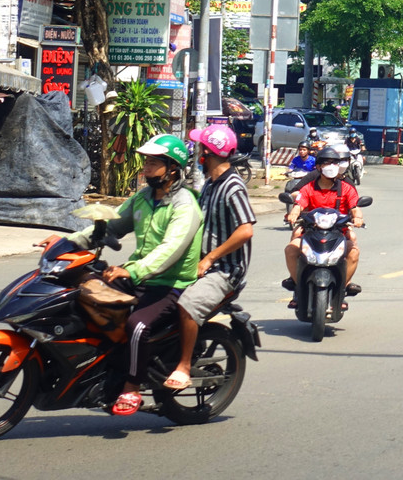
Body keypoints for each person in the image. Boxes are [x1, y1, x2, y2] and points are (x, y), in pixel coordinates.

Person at [43, 134, 203, 416]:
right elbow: (112, 226)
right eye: (147, 162)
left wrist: (130, 270)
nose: (147, 168)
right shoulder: (143, 198)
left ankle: (131, 387)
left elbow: (170, 249)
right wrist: (68, 243)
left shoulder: (185, 205)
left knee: (137, 325)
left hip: (169, 283)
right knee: (87, 297)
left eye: (154, 163)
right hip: (140, 276)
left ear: (173, 168)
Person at [168, 124, 255, 391]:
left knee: (187, 304)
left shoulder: (232, 186)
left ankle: (183, 366)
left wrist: (210, 258)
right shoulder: (209, 184)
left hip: (225, 269)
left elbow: (245, 230)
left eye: (200, 148)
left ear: (209, 152)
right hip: (202, 263)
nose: (197, 153)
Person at [284, 146, 364, 307]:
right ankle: (298, 287)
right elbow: (299, 203)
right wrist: (294, 213)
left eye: (335, 163)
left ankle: (342, 289)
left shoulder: (346, 187)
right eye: (327, 163)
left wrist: (358, 218)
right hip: (311, 231)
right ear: (319, 167)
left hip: (338, 232)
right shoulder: (309, 187)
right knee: (291, 248)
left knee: (354, 249)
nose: (331, 167)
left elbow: (355, 207)